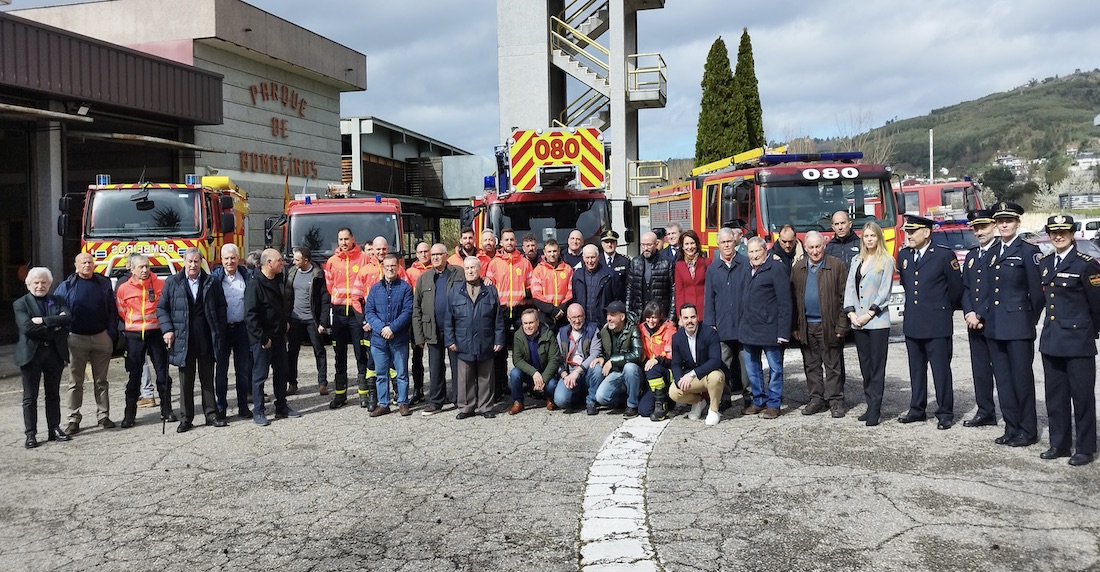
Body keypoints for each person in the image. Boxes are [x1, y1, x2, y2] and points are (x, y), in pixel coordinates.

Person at [1037, 215, 1100, 466]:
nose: (1058, 236)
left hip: (1078, 341)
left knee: (1082, 397)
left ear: (1073, 233)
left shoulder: (1086, 265)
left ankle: (1085, 448)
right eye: (1053, 232)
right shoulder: (1045, 262)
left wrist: (1089, 332)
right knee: (1056, 396)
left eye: (1063, 231)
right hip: (1052, 340)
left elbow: (1097, 306)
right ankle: (1059, 443)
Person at [985, 202, 1043, 448]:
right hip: (996, 326)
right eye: (1000, 221)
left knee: (1021, 380)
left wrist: (1028, 321)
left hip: (1019, 326)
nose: (1004, 225)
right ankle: (1011, 426)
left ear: (1018, 223)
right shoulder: (992, 252)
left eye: (1008, 220)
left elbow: (1037, 295)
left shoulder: (1029, 252)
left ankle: (1028, 430)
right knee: (1004, 381)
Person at [896, 215, 962, 429]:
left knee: (940, 370)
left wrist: (941, 309)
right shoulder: (904, 255)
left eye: (913, 231)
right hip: (914, 321)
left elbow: (955, 289)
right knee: (916, 369)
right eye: (908, 231)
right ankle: (917, 408)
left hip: (937, 322)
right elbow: (908, 285)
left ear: (927, 232)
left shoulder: (943, 255)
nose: (909, 235)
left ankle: (945, 412)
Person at [156, 248, 228, 432]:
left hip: (206, 337)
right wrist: (167, 330)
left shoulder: (212, 282)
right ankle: (186, 418)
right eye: (190, 261)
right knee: (185, 381)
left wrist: (219, 328)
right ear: (184, 262)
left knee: (207, 378)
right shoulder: (173, 283)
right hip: (183, 338)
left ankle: (211, 414)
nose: (193, 265)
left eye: (196, 262)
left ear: (201, 262)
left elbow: (221, 306)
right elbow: (162, 308)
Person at [53, 253, 118, 434]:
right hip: (76, 338)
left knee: (101, 381)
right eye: (83, 262)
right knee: (75, 382)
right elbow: (54, 305)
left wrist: (111, 333)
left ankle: (103, 416)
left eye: (90, 262)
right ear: (76, 265)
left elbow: (113, 310)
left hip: (101, 337)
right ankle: (73, 419)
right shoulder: (66, 286)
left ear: (94, 264)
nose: (87, 265)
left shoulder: (104, 284)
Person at [791, 231, 851, 418]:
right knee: (811, 365)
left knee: (833, 365)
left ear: (823, 246)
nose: (815, 251)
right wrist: (795, 327)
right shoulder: (798, 268)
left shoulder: (836, 266)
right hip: (806, 325)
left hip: (829, 325)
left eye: (818, 247)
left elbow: (844, 298)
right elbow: (793, 300)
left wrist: (841, 326)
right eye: (811, 247)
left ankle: (836, 401)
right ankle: (816, 399)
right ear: (806, 248)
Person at [843, 222, 895, 427]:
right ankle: (869, 403)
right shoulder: (857, 260)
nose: (870, 239)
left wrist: (869, 313)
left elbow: (885, 291)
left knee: (876, 366)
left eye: (873, 236)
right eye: (866, 236)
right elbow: (849, 286)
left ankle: (876, 408)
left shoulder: (886, 260)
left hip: (877, 322)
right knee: (865, 365)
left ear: (879, 238)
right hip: (858, 322)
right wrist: (851, 313)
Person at [14, 267, 72, 448]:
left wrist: (44, 321)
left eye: (44, 282)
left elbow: (68, 318)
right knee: (30, 397)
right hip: (31, 355)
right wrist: (54, 328)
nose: (40, 286)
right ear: (28, 284)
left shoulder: (58, 299)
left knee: (53, 394)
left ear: (50, 283)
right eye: (36, 283)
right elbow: (27, 328)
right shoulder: (20, 303)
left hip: (54, 354)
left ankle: (54, 428)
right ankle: (30, 434)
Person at [244, 249, 301, 426]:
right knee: (260, 375)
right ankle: (259, 411)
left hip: (278, 336)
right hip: (262, 340)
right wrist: (262, 338)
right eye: (278, 261)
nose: (282, 263)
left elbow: (280, 305)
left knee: (281, 372)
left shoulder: (278, 279)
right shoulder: (255, 284)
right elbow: (250, 315)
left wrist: (285, 322)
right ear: (268, 263)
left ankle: (281, 406)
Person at [445, 257, 505, 419]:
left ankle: (486, 407)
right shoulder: (455, 291)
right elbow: (448, 318)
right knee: (465, 376)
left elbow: (498, 318)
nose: (470, 271)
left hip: (486, 339)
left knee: (486, 376)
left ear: (480, 270)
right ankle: (466, 407)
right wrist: (450, 340)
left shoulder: (490, 291)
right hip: (463, 340)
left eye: (473, 268)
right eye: (467, 268)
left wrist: (499, 339)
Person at [116, 255, 172, 426]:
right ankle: (129, 415)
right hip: (134, 336)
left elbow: (166, 308)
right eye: (140, 267)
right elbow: (121, 310)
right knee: (134, 376)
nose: (145, 270)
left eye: (147, 266)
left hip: (156, 333)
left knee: (162, 374)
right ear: (132, 270)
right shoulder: (123, 289)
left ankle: (167, 410)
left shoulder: (161, 284)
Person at [740, 237, 792, 419]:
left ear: (765, 251)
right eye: (751, 251)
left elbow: (785, 303)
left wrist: (783, 332)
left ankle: (774, 403)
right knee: (752, 368)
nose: (754, 255)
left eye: (757, 251)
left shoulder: (776, 268)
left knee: (775, 368)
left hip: (770, 329)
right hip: (749, 328)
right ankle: (758, 400)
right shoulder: (746, 268)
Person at [412, 243, 464, 415]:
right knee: (435, 367)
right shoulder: (424, 278)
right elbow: (416, 309)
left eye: (438, 254)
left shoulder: (459, 273)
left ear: (445, 256)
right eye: (432, 255)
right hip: (432, 329)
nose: (434, 257)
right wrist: (419, 337)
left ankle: (459, 398)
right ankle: (436, 401)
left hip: (454, 329)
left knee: (457, 365)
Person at [960, 209, 999, 428]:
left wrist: (980, 313)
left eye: (983, 227)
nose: (979, 232)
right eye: (975, 228)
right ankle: (985, 411)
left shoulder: (999, 252)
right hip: (973, 322)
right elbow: (966, 287)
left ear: (993, 226)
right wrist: (968, 312)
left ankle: (1013, 415)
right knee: (980, 370)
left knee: (1002, 372)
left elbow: (996, 289)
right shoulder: (973, 255)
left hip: (993, 320)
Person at [324, 227, 371, 410]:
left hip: (356, 313)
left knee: (361, 354)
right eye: (340, 239)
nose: (343, 242)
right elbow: (330, 286)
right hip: (338, 314)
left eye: (346, 239)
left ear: (353, 239)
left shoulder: (364, 259)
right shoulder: (332, 261)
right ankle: (340, 394)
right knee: (339, 355)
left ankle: (363, 394)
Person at [703, 227, 748, 410]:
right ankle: (725, 398)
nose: (727, 245)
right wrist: (710, 324)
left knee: (747, 365)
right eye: (723, 242)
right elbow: (709, 299)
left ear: (735, 242)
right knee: (723, 364)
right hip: (722, 325)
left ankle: (750, 397)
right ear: (718, 245)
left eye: (729, 241)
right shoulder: (713, 269)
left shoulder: (745, 263)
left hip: (744, 323)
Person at [364, 254, 414, 417]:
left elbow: (407, 312)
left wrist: (392, 328)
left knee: (401, 373)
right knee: (381, 374)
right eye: (387, 266)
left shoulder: (405, 288)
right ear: (382, 268)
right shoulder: (375, 289)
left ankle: (403, 402)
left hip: (398, 338)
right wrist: (382, 328)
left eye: (393, 266)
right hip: (379, 340)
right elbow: (369, 312)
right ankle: (383, 403)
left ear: (398, 267)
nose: (390, 269)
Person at [486, 228, 533, 399]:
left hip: (520, 310)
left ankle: (529, 384)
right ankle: (500, 386)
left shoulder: (524, 262)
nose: (509, 243)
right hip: (501, 310)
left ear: (516, 242)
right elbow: (489, 288)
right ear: (501, 243)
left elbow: (531, 287)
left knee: (525, 350)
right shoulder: (494, 263)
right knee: (500, 350)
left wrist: (523, 295)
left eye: (512, 240)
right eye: (506, 240)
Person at [211, 244, 253, 418]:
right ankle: (221, 407)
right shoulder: (214, 279)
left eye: (233, 258)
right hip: (222, 331)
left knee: (242, 370)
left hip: (242, 329)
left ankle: (243, 405)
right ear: (222, 260)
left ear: (238, 259)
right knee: (221, 371)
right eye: (226, 258)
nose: (230, 261)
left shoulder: (247, 276)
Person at [669, 303, 725, 426]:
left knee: (717, 377)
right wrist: (679, 380)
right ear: (680, 320)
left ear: (698, 317)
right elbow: (676, 364)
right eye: (686, 318)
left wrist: (692, 374)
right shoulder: (677, 338)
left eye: (693, 317)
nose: (690, 321)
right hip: (693, 378)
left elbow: (715, 361)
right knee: (674, 392)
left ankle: (713, 410)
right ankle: (699, 402)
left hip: (709, 374)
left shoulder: (710, 333)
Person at [585, 300, 643, 417]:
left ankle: (632, 405)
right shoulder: (605, 330)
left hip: (631, 372)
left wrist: (613, 360)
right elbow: (602, 351)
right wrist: (601, 358)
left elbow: (638, 354)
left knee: (630, 368)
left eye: (612, 315)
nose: (609, 318)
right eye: (607, 315)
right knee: (601, 397)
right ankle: (626, 398)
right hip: (615, 373)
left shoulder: (633, 329)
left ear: (622, 317)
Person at [284, 246, 328, 397]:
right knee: (292, 352)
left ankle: (322, 383)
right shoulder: (291, 272)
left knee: (319, 350)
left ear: (306, 260)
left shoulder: (317, 275)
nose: (294, 261)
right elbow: (287, 297)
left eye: (297, 259)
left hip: (312, 320)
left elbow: (324, 299)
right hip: (295, 319)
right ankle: (292, 383)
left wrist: (323, 322)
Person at [507, 308, 562, 414]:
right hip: (529, 373)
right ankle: (518, 402)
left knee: (552, 384)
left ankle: (549, 398)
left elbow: (554, 360)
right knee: (514, 373)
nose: (528, 326)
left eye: (531, 323)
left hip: (545, 372)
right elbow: (517, 360)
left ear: (537, 322)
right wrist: (534, 373)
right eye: (525, 323)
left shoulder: (548, 334)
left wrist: (543, 379)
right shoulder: (518, 336)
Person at [554, 303, 602, 413]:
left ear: (584, 316)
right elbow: (557, 358)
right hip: (569, 373)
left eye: (579, 316)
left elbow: (595, 354)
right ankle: (577, 396)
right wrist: (565, 375)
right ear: (568, 318)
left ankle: (591, 401)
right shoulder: (561, 333)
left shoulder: (593, 330)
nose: (577, 321)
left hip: (586, 371)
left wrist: (577, 372)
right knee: (560, 400)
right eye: (574, 317)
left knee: (598, 367)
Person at [626, 231, 675, 322]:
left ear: (656, 244)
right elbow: (629, 289)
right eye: (643, 245)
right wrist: (628, 312)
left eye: (648, 245)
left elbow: (673, 290)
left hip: (660, 314)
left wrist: (671, 318)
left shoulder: (667, 263)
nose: (645, 248)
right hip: (639, 314)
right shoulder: (635, 262)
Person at [638, 301, 675, 421]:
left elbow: (672, 357)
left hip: (666, 370)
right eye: (648, 317)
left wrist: (657, 360)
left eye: (653, 317)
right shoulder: (641, 329)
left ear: (660, 317)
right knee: (644, 411)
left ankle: (662, 407)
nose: (650, 320)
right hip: (651, 374)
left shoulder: (669, 330)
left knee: (653, 368)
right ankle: (667, 399)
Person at [405, 242, 432, 403]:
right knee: (417, 356)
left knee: (437, 356)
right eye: (420, 252)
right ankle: (418, 389)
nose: (424, 254)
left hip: (434, 318)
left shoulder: (436, 269)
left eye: (426, 251)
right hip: (418, 318)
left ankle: (439, 388)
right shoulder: (410, 272)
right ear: (416, 253)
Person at [572, 244, 620, 329]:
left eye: (592, 257)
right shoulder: (577, 275)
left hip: (603, 323)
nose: (590, 261)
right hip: (582, 323)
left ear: (598, 257)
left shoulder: (610, 274)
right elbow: (574, 297)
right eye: (587, 257)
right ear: (583, 258)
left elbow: (617, 298)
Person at [530, 239, 574, 330]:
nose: (552, 254)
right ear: (544, 253)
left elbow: (571, 292)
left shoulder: (568, 269)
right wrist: (552, 310)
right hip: (545, 315)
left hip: (564, 314)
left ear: (558, 251)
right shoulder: (538, 270)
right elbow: (536, 295)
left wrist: (561, 310)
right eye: (549, 251)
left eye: (554, 251)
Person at [674, 230, 707, 322]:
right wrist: (680, 316)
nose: (690, 247)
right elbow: (679, 293)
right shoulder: (679, 266)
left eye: (692, 243)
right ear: (682, 246)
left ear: (696, 244)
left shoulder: (706, 262)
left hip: (704, 311)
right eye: (687, 244)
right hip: (688, 314)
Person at [600, 230, 630, 298]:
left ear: (616, 243)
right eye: (606, 242)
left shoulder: (625, 261)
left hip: (618, 302)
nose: (609, 245)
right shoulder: (597, 260)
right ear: (602, 244)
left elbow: (629, 284)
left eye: (612, 242)